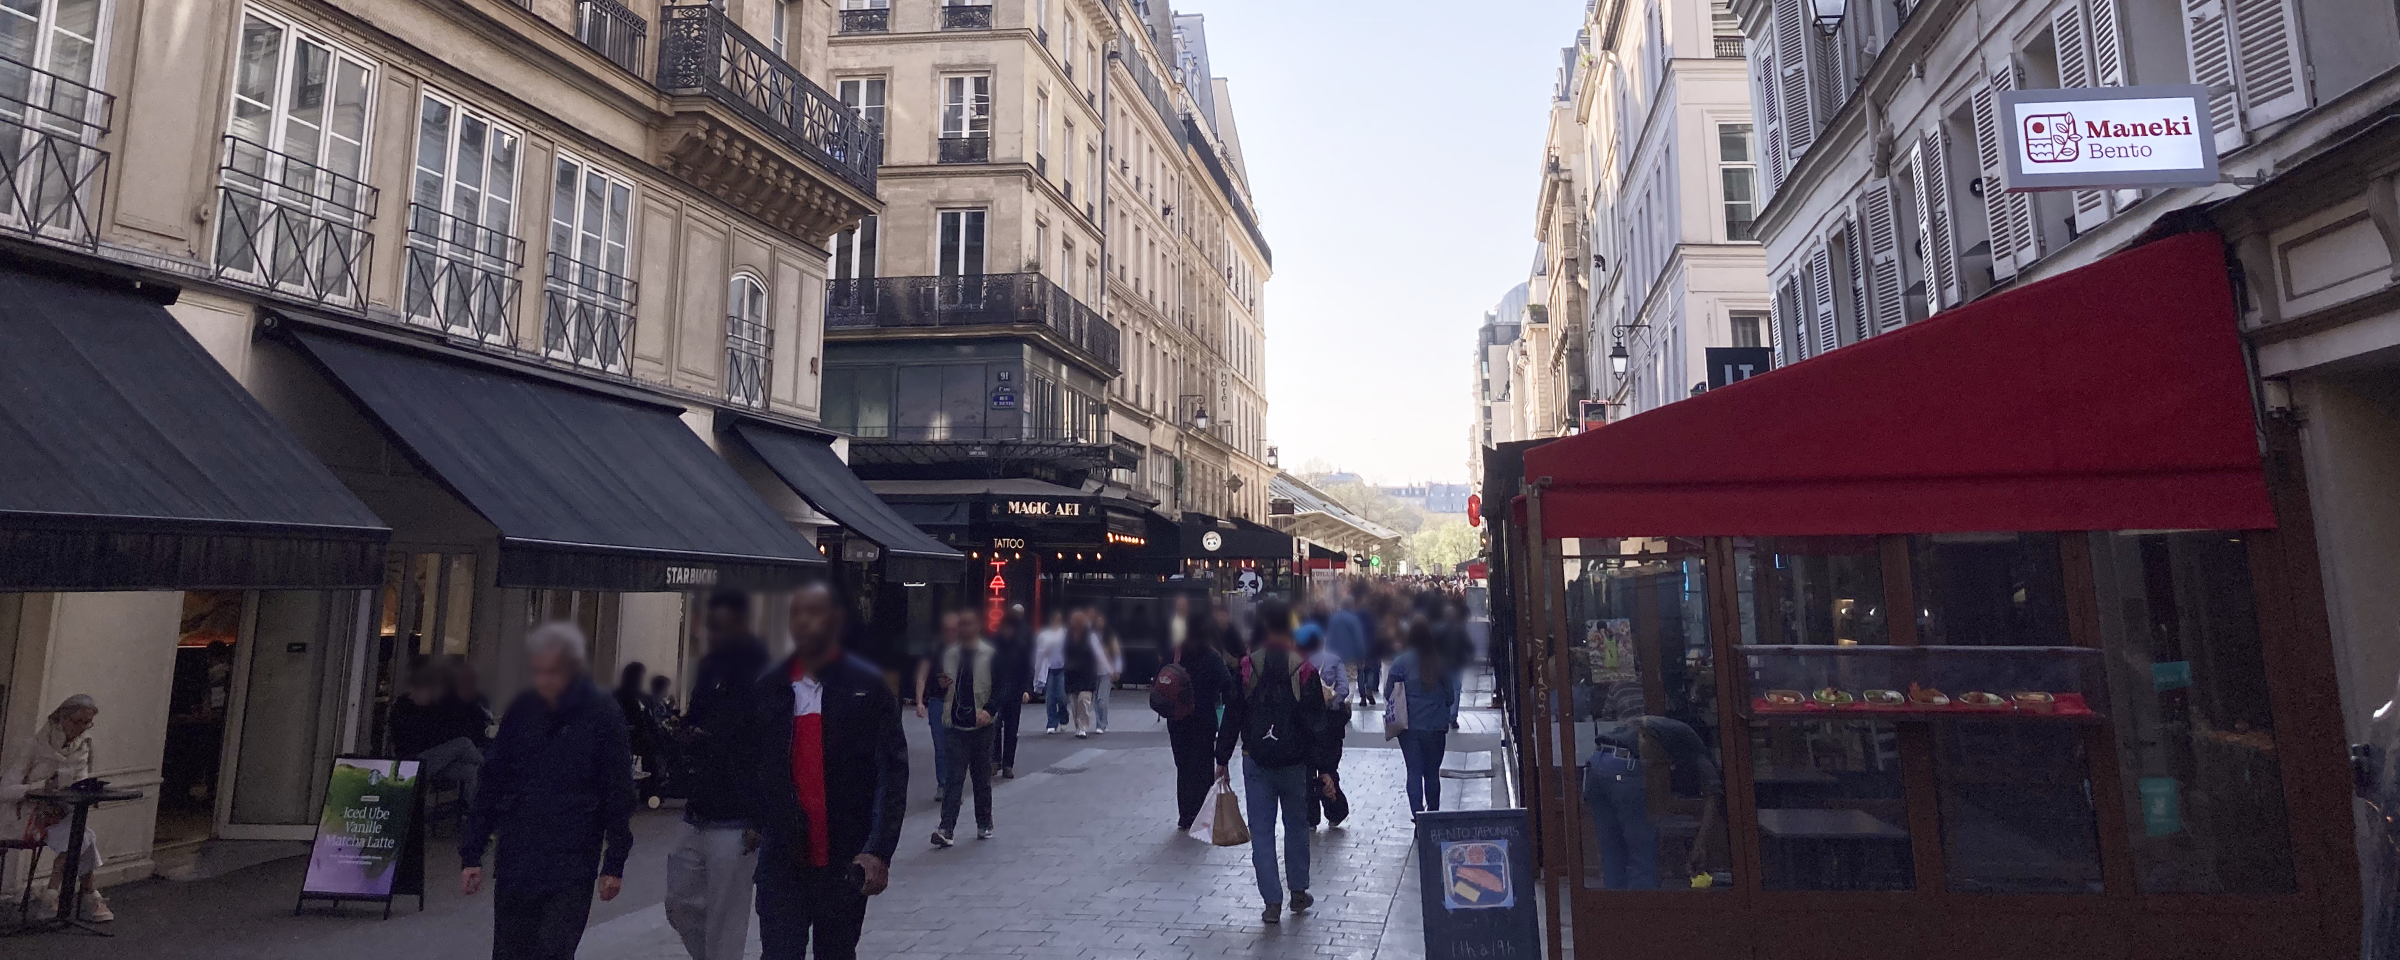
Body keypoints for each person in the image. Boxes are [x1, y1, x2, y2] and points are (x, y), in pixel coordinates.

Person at [745, 582, 907, 960]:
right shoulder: (771, 687)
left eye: (813, 613)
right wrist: (758, 819)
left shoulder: (866, 687)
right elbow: (751, 761)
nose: (803, 623)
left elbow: (892, 770)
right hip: (784, 860)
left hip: (844, 860)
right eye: (796, 614)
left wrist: (879, 850)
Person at [460, 623, 636, 960]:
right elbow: (492, 780)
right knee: (510, 951)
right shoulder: (524, 709)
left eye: (552, 672)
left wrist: (614, 862)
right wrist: (472, 853)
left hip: (571, 857)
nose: (544, 682)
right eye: (537, 672)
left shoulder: (602, 714)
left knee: (553, 949)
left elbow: (618, 791)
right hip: (518, 856)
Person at [1215, 598, 1341, 925]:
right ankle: (1299, 890)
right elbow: (1317, 722)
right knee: (1297, 826)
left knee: (1263, 831)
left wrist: (1222, 756)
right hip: (1296, 763)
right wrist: (1325, 767)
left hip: (1256, 761)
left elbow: (1233, 713)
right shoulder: (1304, 668)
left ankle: (1271, 900)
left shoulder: (1247, 666)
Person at [666, 591, 770, 960]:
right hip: (701, 805)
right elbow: (699, 719)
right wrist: (688, 735)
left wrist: (759, 817)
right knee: (679, 899)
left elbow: (766, 745)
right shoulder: (710, 667)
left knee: (727, 914)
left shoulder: (761, 672)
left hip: (738, 813)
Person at [1, 695, 110, 922]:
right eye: (77, 721)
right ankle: (88, 895)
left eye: (87, 723)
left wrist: (87, 793)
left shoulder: (85, 747)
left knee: (81, 834)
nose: (81, 729)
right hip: (26, 816)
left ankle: (52, 894)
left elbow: (80, 781)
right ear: (61, 717)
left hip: (61, 814)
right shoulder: (33, 745)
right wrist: (41, 786)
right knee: (82, 836)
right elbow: (5, 790)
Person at [931, 604, 1011, 845]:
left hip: (982, 726)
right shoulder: (949, 654)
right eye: (959, 624)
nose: (961, 628)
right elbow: (937, 688)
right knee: (954, 778)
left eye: (966, 624)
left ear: (977, 626)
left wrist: (989, 711)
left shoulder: (990, 654)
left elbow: (1001, 686)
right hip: (956, 724)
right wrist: (940, 686)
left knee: (980, 777)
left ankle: (984, 823)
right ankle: (946, 829)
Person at [1163, 601, 1235, 831]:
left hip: (1177, 719)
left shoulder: (1176, 652)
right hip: (1203, 718)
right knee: (1203, 766)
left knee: (1183, 767)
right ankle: (1202, 816)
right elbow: (1228, 686)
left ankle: (1185, 815)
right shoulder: (1211, 656)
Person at [388, 663, 486, 828]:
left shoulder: (432, 708)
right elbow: (410, 740)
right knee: (463, 743)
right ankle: (492, 767)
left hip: (433, 760)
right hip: (414, 760)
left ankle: (476, 816)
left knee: (470, 771)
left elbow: (445, 731)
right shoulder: (404, 708)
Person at [1385, 617, 1460, 816]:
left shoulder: (1400, 662)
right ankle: (1433, 814)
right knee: (1432, 774)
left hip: (1409, 727)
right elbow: (1450, 696)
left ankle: (1418, 816)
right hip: (1435, 727)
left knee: (1414, 772)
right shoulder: (1439, 662)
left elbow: (1388, 693)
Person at [1296, 623, 1353, 828]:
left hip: (1307, 725)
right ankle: (1335, 811)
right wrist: (1332, 704)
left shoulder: (1300, 663)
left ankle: (1311, 817)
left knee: (1308, 770)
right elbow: (1344, 689)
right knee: (1329, 768)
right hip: (1331, 725)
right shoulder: (1334, 660)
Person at [913, 622, 959, 792]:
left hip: (958, 703)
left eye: (953, 629)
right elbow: (922, 676)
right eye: (947, 630)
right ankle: (943, 783)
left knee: (955, 746)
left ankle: (953, 785)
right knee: (940, 746)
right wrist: (919, 701)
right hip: (937, 702)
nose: (950, 633)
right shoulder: (933, 649)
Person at [989, 605, 1034, 778]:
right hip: (997, 692)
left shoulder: (1020, 646)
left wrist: (1026, 689)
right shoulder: (994, 644)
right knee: (995, 727)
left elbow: (1027, 669)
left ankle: (1008, 764)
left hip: (1014, 692)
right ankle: (995, 761)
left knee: (1011, 730)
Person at [1063, 609, 1101, 738]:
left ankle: (1083, 727)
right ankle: (1078, 726)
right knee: (1074, 703)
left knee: (1083, 700)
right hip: (1071, 674)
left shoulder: (1090, 636)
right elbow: (1063, 652)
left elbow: (1097, 653)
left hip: (1087, 673)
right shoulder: (1067, 636)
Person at [1325, 594, 1367, 705]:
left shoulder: (1333, 618)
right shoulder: (1353, 620)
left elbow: (1329, 637)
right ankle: (1347, 703)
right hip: (1350, 657)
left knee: (1337, 680)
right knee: (1351, 679)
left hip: (1334, 655)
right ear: (1352, 605)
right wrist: (1361, 657)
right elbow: (1358, 640)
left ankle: (1337, 702)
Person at [1034, 611, 1069, 735]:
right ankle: (1051, 722)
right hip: (1048, 669)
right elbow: (1038, 653)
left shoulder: (1065, 634)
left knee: (1061, 696)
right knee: (1050, 697)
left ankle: (1064, 716)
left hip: (1061, 668)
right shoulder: (1044, 635)